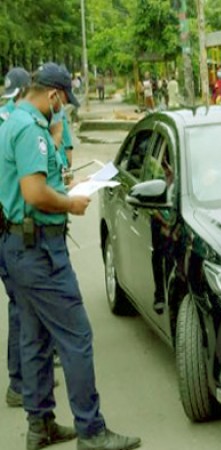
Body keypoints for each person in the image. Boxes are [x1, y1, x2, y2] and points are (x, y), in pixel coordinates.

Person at [0, 62, 141, 450]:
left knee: (34, 338)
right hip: (40, 250)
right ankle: (91, 430)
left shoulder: (12, 121)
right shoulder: (31, 129)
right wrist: (70, 203)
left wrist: (60, 186)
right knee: (76, 336)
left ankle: (39, 424)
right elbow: (33, 193)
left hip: (19, 246)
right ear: (54, 95)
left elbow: (30, 183)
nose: (63, 109)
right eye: (63, 103)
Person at [0, 67, 33, 409]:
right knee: (21, 305)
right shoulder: (22, 123)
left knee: (20, 304)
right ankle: (19, 382)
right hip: (12, 225)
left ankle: (26, 377)